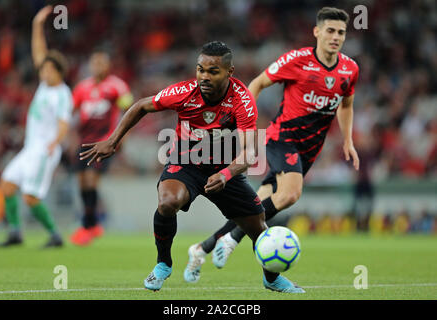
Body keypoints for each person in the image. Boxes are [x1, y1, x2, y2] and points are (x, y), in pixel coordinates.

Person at [80, 41, 305, 293]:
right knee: (167, 202)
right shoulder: (185, 91)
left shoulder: (242, 100)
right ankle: (163, 264)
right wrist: (112, 141)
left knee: (258, 228)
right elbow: (142, 105)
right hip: (185, 163)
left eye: (213, 71)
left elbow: (249, 153)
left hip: (224, 169)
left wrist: (226, 173)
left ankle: (271, 279)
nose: (204, 77)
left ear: (229, 72)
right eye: (200, 70)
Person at [184, 7, 360, 282]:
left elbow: (346, 104)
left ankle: (202, 248)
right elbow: (258, 83)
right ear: (317, 32)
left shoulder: (350, 69)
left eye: (341, 32)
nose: (335, 37)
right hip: (282, 137)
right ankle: (232, 238)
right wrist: (242, 123)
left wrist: (348, 139)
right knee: (290, 194)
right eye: (330, 30)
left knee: (256, 207)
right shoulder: (297, 60)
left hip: (309, 149)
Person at [0, 6, 72, 248]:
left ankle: (55, 235)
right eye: (44, 69)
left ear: (59, 71)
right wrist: (36, 25)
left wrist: (53, 143)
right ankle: (16, 233)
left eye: (49, 69)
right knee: (7, 185)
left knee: (30, 197)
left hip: (44, 150)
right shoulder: (45, 86)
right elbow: (40, 52)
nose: (44, 71)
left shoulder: (62, 94)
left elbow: (64, 123)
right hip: (31, 149)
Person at [70, 50, 133, 246]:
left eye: (101, 63)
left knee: (91, 180)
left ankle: (87, 227)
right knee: (82, 183)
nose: (97, 66)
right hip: (83, 141)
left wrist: (122, 138)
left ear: (108, 65)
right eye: (94, 63)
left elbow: (129, 112)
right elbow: (71, 112)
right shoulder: (82, 88)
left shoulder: (117, 86)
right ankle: (93, 224)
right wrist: (70, 137)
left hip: (103, 141)